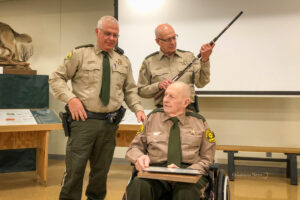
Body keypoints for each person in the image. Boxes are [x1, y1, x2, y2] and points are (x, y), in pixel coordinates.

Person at [49, 16, 146, 200]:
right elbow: (56, 78)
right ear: (97, 32)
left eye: (115, 35)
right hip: (83, 122)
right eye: (107, 33)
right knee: (75, 171)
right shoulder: (80, 54)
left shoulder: (123, 61)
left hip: (109, 125)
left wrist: (138, 109)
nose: (111, 38)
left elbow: (130, 90)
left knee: (100, 174)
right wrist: (71, 99)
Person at [125, 81, 216, 200]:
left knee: (185, 192)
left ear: (186, 102)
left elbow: (207, 158)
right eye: (165, 95)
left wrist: (186, 172)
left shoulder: (199, 123)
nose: (165, 100)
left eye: (171, 97)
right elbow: (134, 148)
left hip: (189, 173)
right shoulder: (152, 118)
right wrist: (139, 157)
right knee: (138, 185)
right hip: (156, 172)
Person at [137, 23, 215, 110]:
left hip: (188, 111)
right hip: (163, 112)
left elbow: (201, 83)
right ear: (158, 41)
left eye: (174, 37)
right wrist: (158, 86)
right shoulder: (149, 62)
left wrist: (205, 60)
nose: (173, 42)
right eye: (168, 40)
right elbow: (141, 91)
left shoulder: (189, 57)